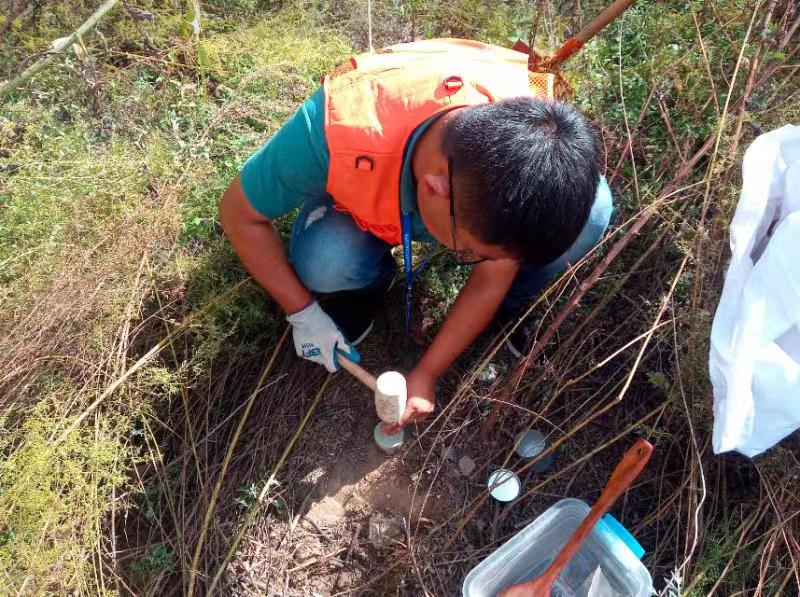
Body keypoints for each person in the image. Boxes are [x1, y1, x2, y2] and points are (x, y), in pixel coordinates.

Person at [219, 39, 612, 432]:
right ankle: (366, 287)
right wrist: (303, 312)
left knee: (594, 210)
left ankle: (511, 306)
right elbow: (238, 213)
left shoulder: (527, 133)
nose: (475, 262)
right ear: (433, 188)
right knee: (325, 258)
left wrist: (427, 372)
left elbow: (491, 276)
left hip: (457, 200)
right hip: (367, 190)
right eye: (469, 251)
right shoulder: (334, 129)